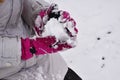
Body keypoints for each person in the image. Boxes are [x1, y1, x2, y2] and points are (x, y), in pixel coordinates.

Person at [0, 0, 82, 80]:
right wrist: (23, 48)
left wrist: (41, 15)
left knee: (59, 70)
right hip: (5, 70)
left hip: (35, 58)